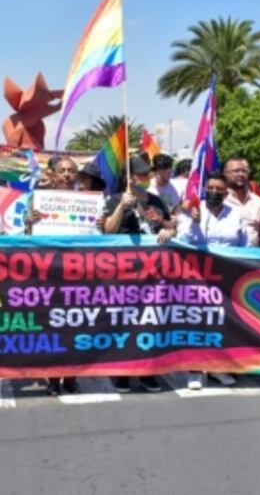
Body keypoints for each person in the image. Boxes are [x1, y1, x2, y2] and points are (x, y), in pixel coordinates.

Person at [102, 156, 174, 392]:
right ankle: (122, 370)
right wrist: (122, 207)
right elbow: (107, 230)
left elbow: (170, 226)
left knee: (150, 320)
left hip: (152, 272)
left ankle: (147, 370)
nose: (147, 177)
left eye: (148, 174)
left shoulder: (155, 200)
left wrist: (168, 231)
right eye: (142, 174)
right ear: (130, 177)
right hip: (123, 271)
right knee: (124, 320)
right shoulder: (114, 199)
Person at [177, 171, 244, 390]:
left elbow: (245, 244)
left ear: (226, 193)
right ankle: (195, 369)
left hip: (226, 276)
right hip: (198, 276)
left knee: (222, 321)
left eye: (219, 189)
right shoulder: (193, 210)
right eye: (211, 188)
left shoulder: (236, 214)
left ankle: (216, 367)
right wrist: (194, 222)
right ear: (205, 190)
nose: (214, 192)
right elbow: (182, 240)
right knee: (199, 321)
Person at [31, 157, 83, 396]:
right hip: (49, 274)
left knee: (76, 327)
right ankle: (53, 377)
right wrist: (30, 223)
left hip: (80, 275)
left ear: (77, 176)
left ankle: (71, 378)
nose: (66, 175)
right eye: (62, 171)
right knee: (52, 327)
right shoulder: (38, 201)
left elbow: (102, 234)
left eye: (71, 171)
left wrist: (101, 223)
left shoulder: (89, 202)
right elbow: (26, 238)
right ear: (53, 175)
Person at [223, 157, 260, 247]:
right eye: (236, 171)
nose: (241, 174)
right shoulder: (221, 200)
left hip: (253, 254)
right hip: (226, 254)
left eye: (244, 171)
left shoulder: (257, 201)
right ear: (225, 174)